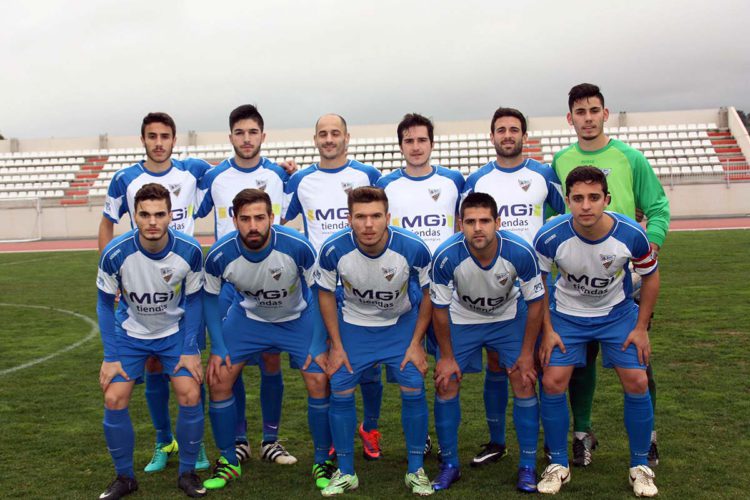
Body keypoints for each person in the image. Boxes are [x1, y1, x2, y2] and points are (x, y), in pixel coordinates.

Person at [552, 83, 669, 466]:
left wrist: (647, 246)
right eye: (580, 112)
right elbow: (558, 215)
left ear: (605, 113)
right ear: (570, 119)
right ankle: (582, 433)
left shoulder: (629, 157)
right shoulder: (560, 161)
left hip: (626, 277)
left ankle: (648, 437)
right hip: (578, 284)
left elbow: (658, 206)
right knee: (579, 361)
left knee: (637, 358)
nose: (588, 118)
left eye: (594, 110)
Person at [533, 166, 659, 497]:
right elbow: (540, 284)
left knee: (638, 381)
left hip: (616, 315)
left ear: (607, 199)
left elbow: (651, 277)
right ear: (568, 201)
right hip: (567, 316)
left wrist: (642, 327)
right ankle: (558, 463)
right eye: (577, 198)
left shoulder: (631, 233)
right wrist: (547, 329)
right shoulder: (550, 235)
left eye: (593, 198)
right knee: (552, 381)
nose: (585, 206)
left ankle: (640, 466)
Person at [98, 112, 211, 473]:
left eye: (165, 136)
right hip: (137, 284)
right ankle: (164, 440)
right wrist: (110, 271)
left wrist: (283, 170)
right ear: (142, 139)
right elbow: (107, 222)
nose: (159, 142)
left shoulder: (192, 170)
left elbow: (233, 170)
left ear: (174, 139)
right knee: (146, 372)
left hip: (177, 289)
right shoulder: (125, 178)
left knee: (190, 378)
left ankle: (195, 448)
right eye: (152, 136)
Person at [200, 189, 332, 491]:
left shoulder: (297, 245)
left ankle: (322, 460)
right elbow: (209, 298)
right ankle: (228, 460)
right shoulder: (220, 254)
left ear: (271, 218)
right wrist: (218, 347)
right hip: (249, 319)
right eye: (245, 219)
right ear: (234, 220)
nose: (253, 225)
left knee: (318, 379)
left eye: (260, 217)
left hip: (296, 318)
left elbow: (320, 291)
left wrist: (317, 342)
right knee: (219, 379)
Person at [461, 107, 566, 467]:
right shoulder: (477, 179)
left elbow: (565, 216)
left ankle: (551, 444)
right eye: (501, 130)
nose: (508, 135)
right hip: (493, 286)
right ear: (491, 136)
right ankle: (496, 440)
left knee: (538, 364)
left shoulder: (543, 174)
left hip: (536, 282)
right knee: (496, 364)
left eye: (514, 129)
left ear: (524, 135)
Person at [316, 187, 434, 496]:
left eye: (376, 216)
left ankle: (415, 469)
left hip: (400, 327)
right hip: (354, 327)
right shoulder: (332, 249)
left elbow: (429, 295)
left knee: (413, 385)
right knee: (340, 387)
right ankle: (345, 472)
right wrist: (336, 346)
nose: (368, 224)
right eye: (361, 217)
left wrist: (417, 342)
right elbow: (325, 295)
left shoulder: (413, 247)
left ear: (388, 218)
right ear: (349, 219)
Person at [282, 114, 386, 461]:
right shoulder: (301, 180)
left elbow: (381, 219)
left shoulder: (367, 176)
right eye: (323, 134)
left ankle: (369, 427)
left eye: (335, 133)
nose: (329, 139)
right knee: (324, 364)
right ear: (315, 139)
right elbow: (280, 218)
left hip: (364, 285)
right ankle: (329, 438)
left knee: (369, 368)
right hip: (320, 287)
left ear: (347, 137)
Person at [195, 104, 295, 465]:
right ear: (231, 137)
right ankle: (239, 439)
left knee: (271, 359)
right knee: (229, 361)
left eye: (253, 132)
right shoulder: (213, 177)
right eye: (240, 132)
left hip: (272, 281)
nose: (247, 138)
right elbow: (185, 208)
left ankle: (271, 439)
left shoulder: (282, 177)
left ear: (263, 136)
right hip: (228, 283)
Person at [430, 192, 545, 492]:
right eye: (470, 222)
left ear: (498, 222)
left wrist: (526, 354)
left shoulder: (519, 251)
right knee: (446, 381)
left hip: (507, 318)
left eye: (484, 221)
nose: (477, 228)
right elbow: (439, 311)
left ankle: (528, 466)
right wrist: (445, 356)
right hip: (464, 319)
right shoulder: (446, 255)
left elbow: (536, 303)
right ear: (460, 224)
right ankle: (450, 465)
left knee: (523, 380)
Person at [376, 113, 464, 457]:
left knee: (446, 367)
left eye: (422, 140)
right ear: (401, 145)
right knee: (409, 369)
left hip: (445, 287)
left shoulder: (454, 180)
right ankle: (421, 436)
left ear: (431, 143)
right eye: (409, 141)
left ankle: (446, 440)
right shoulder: (386, 184)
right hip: (404, 288)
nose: (416, 147)